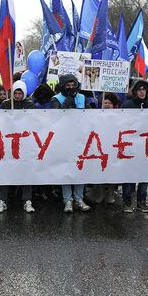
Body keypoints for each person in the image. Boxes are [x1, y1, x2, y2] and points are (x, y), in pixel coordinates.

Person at [51, 74, 91, 213]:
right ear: (62, 86)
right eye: (68, 85)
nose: (71, 87)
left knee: (80, 169)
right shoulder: (56, 99)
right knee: (66, 170)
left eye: (73, 85)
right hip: (63, 139)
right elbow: (56, 117)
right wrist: (66, 104)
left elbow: (90, 116)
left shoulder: (82, 98)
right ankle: (67, 200)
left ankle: (79, 198)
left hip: (80, 139)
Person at [0, 81, 36, 213]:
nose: (18, 96)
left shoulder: (30, 105)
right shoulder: (6, 104)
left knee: (26, 172)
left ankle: (27, 200)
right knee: (5, 172)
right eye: (16, 93)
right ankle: (2, 200)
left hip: (25, 143)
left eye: (20, 93)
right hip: (9, 143)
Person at [120, 80, 148, 213]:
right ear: (135, 91)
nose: (142, 92)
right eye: (139, 89)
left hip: (146, 146)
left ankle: (141, 201)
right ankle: (127, 200)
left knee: (144, 174)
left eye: (144, 89)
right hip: (130, 144)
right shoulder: (127, 106)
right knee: (128, 174)